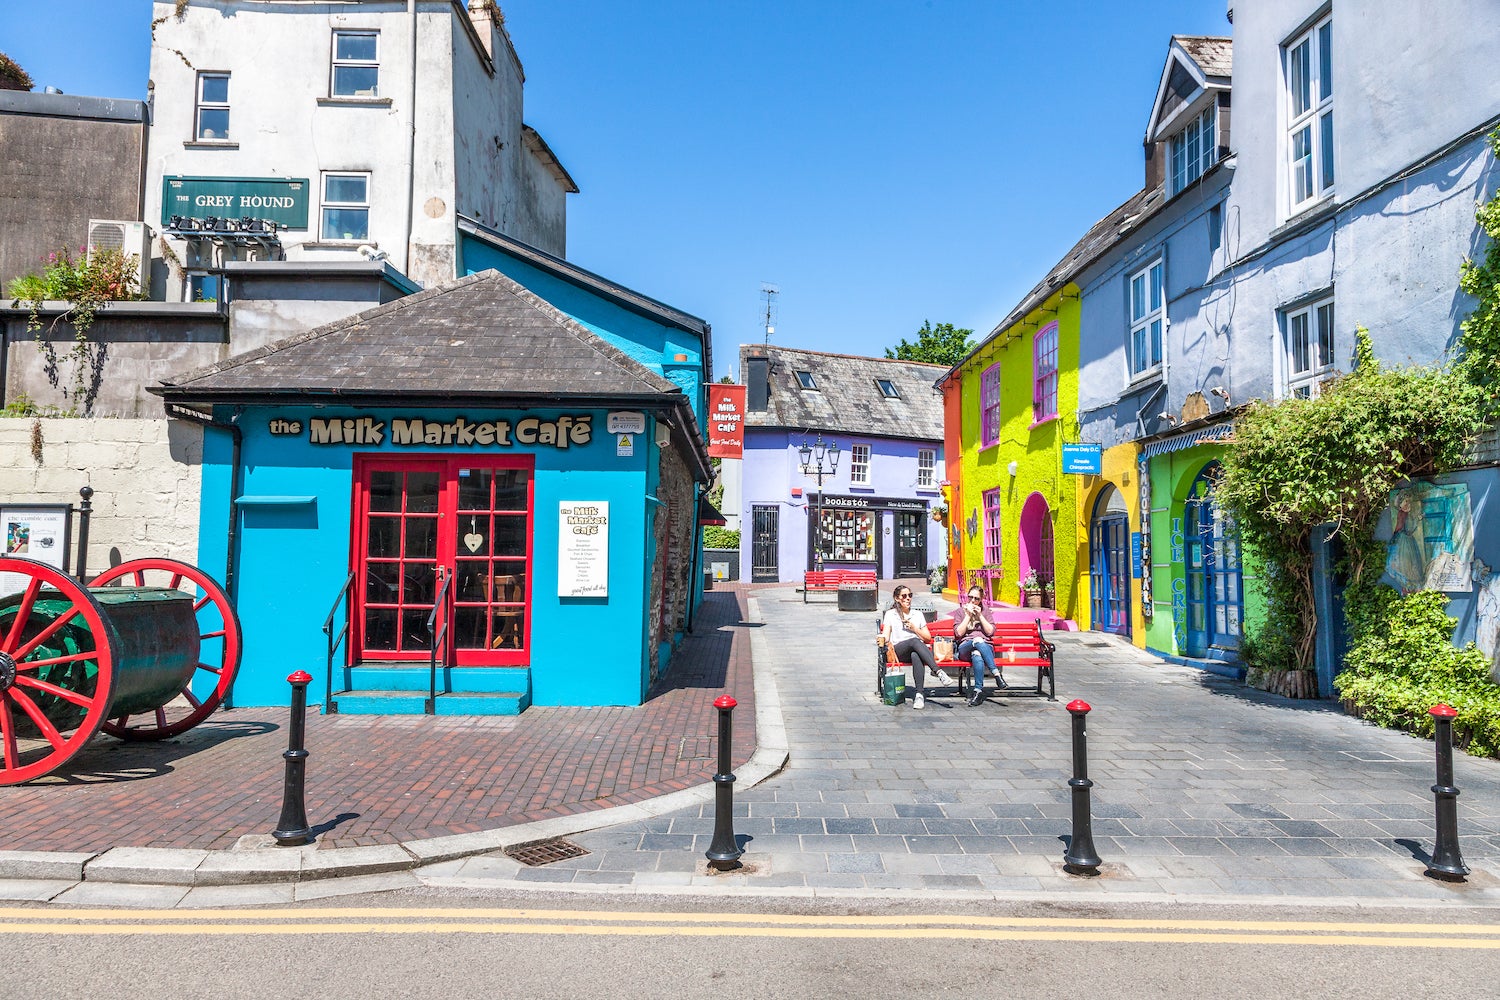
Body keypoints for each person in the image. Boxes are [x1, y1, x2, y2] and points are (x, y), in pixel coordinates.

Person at [880, 585, 945, 709]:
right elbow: (887, 635)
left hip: (916, 650)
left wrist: (915, 628)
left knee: (916, 655)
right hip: (899, 652)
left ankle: (919, 694)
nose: (908, 598)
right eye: (904, 596)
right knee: (914, 641)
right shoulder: (890, 614)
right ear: (897, 598)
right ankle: (937, 670)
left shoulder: (917, 614)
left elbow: (927, 638)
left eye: (910, 595)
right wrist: (883, 638)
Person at [954, 585, 1003, 706]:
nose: (972, 601)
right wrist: (968, 615)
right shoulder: (960, 612)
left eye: (976, 598)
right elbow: (959, 633)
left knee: (977, 654)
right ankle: (996, 673)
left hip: (985, 648)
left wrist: (980, 616)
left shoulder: (985, 611)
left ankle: (978, 691)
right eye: (970, 597)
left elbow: (990, 632)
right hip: (965, 647)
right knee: (977, 639)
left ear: (981, 600)